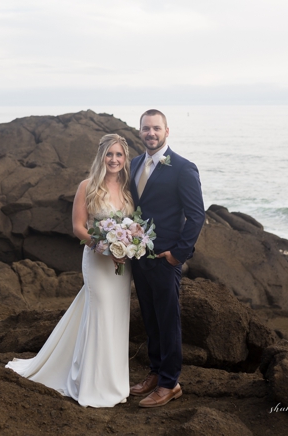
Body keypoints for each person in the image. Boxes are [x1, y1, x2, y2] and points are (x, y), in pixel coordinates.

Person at [5, 133, 135, 407]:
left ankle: (112, 382)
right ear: (101, 157)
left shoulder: (127, 190)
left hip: (122, 265)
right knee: (99, 312)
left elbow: (132, 227)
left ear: (125, 159)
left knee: (116, 316)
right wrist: (104, 247)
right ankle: (89, 382)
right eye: (109, 154)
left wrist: (128, 245)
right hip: (98, 260)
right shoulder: (87, 186)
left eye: (119, 155)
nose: (114, 159)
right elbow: (78, 227)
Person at [126, 109, 205, 408]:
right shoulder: (135, 163)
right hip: (139, 256)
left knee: (168, 322)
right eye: (146, 128)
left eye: (156, 128)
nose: (151, 133)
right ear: (140, 131)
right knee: (150, 318)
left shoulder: (183, 168)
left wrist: (178, 255)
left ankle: (170, 383)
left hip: (165, 258)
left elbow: (196, 216)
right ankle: (156, 372)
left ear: (167, 131)